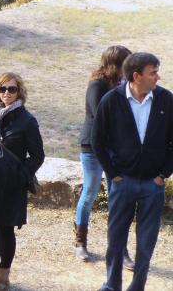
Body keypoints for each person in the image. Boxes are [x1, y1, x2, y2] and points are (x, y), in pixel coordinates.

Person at [92, 52, 173, 291]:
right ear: (136, 76)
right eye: (153, 72)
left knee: (146, 242)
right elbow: (98, 140)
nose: (158, 77)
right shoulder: (111, 100)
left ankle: (137, 286)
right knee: (116, 238)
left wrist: (163, 175)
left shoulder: (167, 100)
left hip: (153, 184)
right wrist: (113, 172)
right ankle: (112, 285)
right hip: (122, 182)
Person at [0, 72, 45, 291]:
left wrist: (20, 175)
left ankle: (3, 278)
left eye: (12, 89)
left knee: (5, 228)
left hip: (11, 185)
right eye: (3, 89)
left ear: (19, 91)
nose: (7, 93)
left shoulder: (27, 120)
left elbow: (38, 156)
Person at [73, 46, 135, 270]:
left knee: (118, 197)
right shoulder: (97, 85)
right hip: (93, 147)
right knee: (89, 192)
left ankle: (120, 250)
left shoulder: (126, 86)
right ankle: (80, 242)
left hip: (116, 149)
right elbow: (101, 115)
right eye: (127, 62)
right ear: (115, 64)